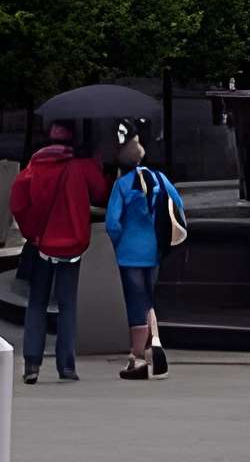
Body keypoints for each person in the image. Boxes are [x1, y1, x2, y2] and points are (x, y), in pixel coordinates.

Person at [7, 122, 109, 385]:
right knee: (67, 306)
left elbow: (17, 200)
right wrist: (97, 163)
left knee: (37, 304)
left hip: (42, 246)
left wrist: (31, 232)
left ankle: (32, 364)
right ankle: (66, 366)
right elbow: (100, 192)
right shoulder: (80, 166)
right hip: (72, 247)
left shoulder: (34, 167)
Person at [105, 133, 185, 382]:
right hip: (154, 252)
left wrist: (118, 245)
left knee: (136, 303)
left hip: (129, 255)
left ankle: (138, 357)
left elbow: (112, 223)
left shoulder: (123, 185)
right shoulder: (160, 178)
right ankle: (153, 349)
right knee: (149, 299)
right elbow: (178, 204)